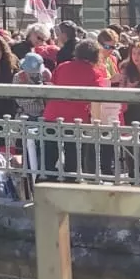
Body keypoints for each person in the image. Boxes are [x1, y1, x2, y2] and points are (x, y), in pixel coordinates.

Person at [44, 39, 105, 181]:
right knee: (73, 156)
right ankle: (70, 183)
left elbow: (53, 85)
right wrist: (96, 123)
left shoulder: (63, 66)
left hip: (52, 115)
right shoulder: (94, 73)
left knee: (49, 155)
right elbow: (98, 98)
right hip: (75, 119)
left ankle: (47, 181)